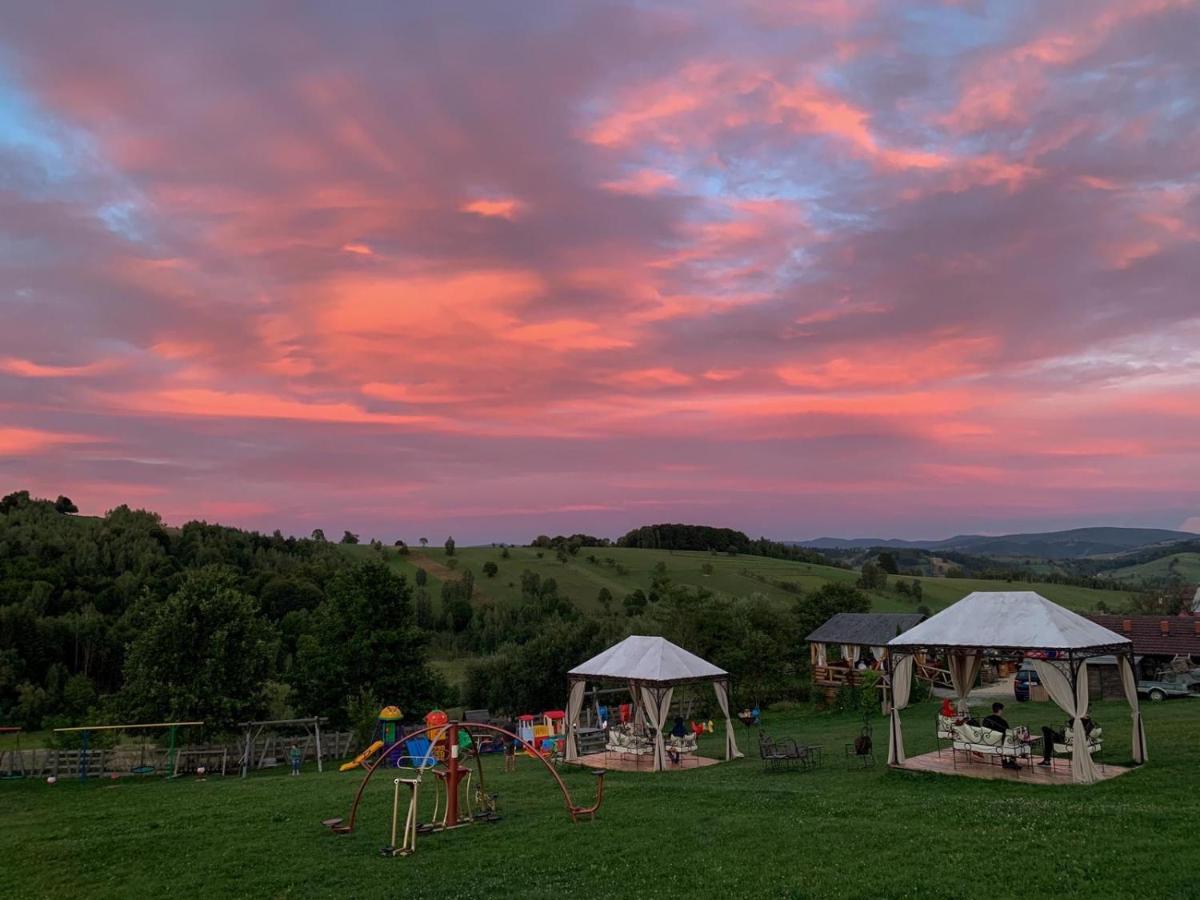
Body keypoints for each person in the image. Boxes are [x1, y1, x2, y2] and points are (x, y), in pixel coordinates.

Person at [982, 702, 1019, 770]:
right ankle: (1009, 761)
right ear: (1000, 710)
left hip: (987, 740)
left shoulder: (986, 719)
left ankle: (1008, 761)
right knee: (1011, 739)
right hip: (998, 743)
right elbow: (1008, 732)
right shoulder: (1002, 721)